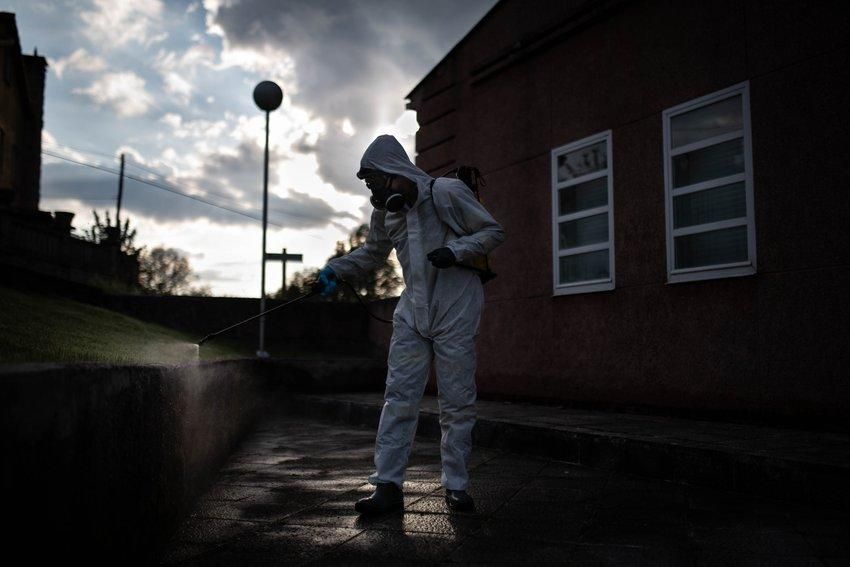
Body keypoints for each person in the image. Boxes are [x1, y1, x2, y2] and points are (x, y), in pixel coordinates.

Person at [315, 135, 505, 514]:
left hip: (456, 306)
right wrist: (336, 269)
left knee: (456, 401)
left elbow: (492, 232)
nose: (376, 191)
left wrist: (456, 250)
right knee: (398, 398)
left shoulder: (446, 193)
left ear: (396, 171)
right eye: (369, 186)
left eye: (377, 181)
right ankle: (387, 486)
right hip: (413, 311)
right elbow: (373, 253)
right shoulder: (387, 212)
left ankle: (456, 485)